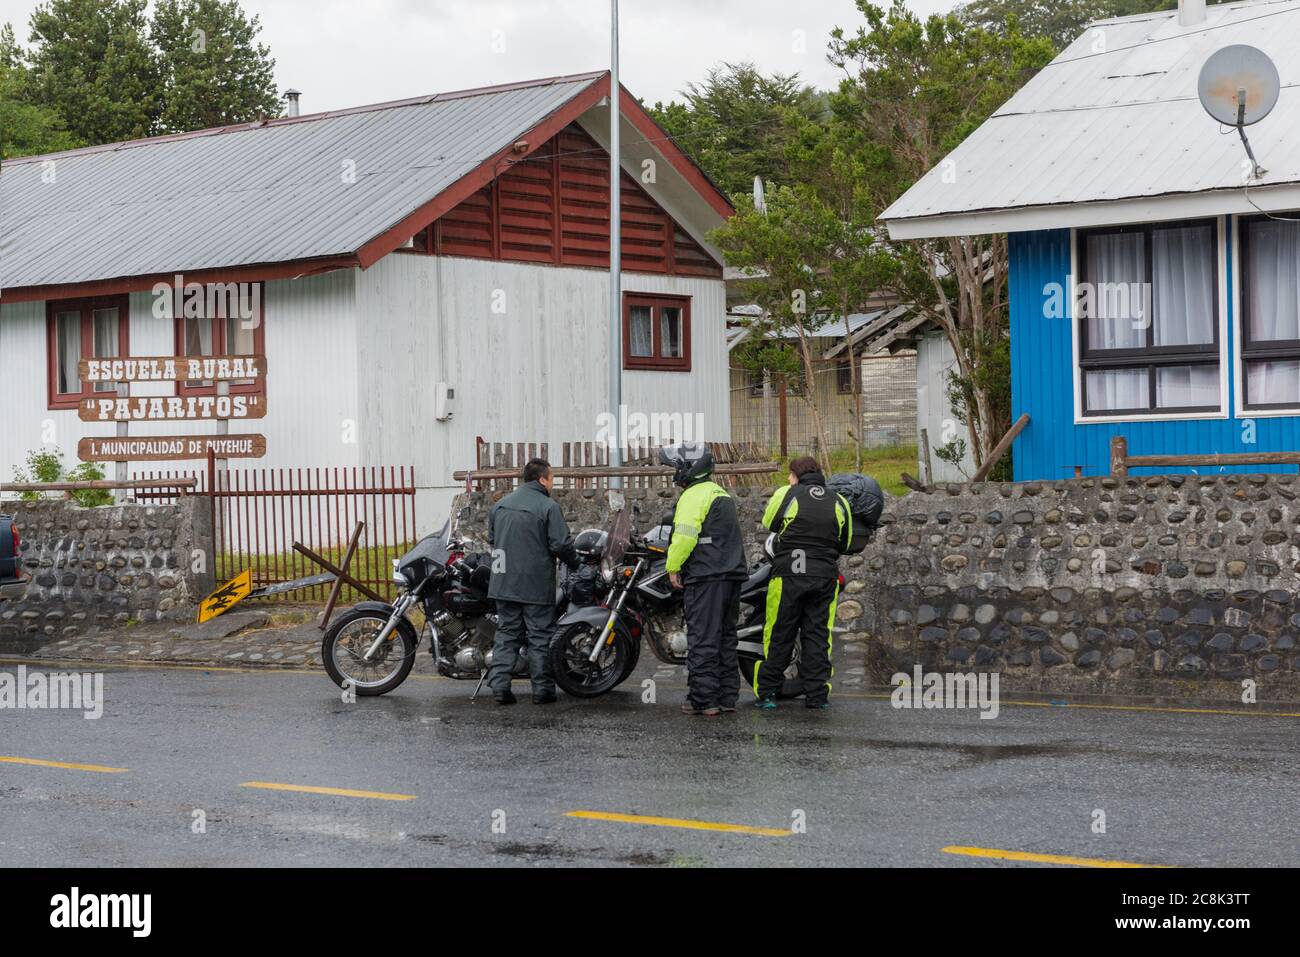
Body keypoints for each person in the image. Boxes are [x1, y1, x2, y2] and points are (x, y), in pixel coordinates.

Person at [754, 456, 852, 711]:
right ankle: (817, 696)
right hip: (824, 577)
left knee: (779, 634)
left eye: (789, 475)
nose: (788, 480)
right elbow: (846, 541)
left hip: (788, 576)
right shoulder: (837, 500)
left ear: (796, 475)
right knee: (818, 636)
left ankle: (767, 694)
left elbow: (769, 523)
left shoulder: (788, 494)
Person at [660, 442, 747, 717]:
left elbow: (684, 536)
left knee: (703, 639)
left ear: (688, 469)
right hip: (731, 574)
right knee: (725, 638)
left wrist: (672, 567)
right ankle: (726, 698)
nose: (674, 472)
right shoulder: (720, 493)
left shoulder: (693, 495)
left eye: (676, 466)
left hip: (706, 576)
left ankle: (703, 700)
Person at [486, 459, 579, 706]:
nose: (552, 484)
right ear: (542, 479)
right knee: (539, 637)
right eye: (552, 479)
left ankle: (499, 687)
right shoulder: (548, 506)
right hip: (535, 585)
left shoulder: (500, 505)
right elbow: (560, 544)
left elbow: (492, 538)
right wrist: (578, 564)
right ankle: (542, 691)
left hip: (503, 583)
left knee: (506, 634)